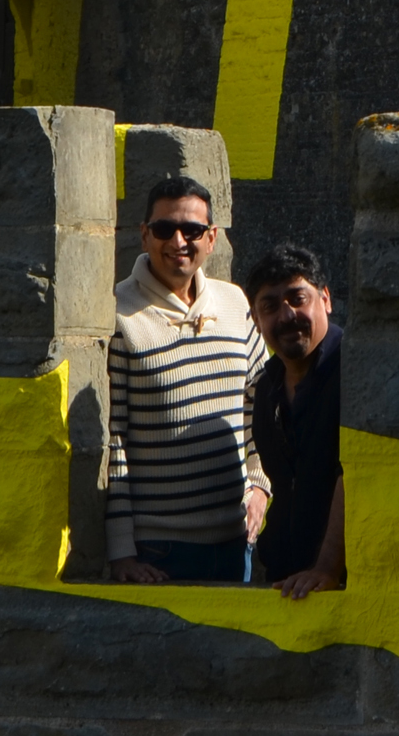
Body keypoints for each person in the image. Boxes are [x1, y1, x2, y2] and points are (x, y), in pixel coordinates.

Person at [105, 174, 269, 584]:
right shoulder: (117, 315)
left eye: (192, 230)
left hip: (236, 542)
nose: (178, 241)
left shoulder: (234, 302)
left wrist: (260, 485)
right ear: (144, 235)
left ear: (211, 238)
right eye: (164, 229)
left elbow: (264, 402)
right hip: (160, 550)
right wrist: (121, 551)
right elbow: (114, 437)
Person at [243, 241, 346, 598]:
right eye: (270, 307)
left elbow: (355, 477)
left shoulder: (355, 374)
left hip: (343, 588)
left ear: (326, 299)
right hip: (285, 586)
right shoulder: (266, 386)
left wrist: (327, 567)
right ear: (256, 320)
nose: (287, 316)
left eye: (297, 299)